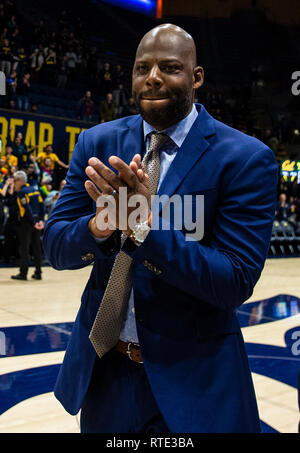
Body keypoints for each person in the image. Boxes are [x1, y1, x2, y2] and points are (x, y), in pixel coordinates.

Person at [43, 24, 278, 433]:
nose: (152, 77)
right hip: (107, 374)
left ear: (196, 77)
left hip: (195, 380)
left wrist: (145, 230)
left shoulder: (245, 158)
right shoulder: (97, 144)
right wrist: (100, 225)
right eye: (142, 68)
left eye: (169, 67)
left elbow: (234, 281)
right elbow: (56, 247)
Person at [11, 170, 45, 281]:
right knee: (36, 248)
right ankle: (38, 272)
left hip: (27, 223)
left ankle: (23, 273)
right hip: (37, 223)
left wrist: (33, 222)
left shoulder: (22, 192)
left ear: (20, 181)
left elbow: (27, 209)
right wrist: (40, 220)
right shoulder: (35, 190)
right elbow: (42, 205)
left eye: (15, 180)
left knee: (24, 248)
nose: (14, 183)